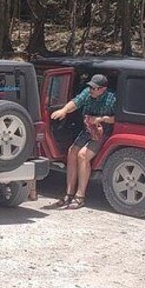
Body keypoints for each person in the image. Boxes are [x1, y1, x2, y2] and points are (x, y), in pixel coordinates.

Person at [48, 73, 116, 210]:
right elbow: (76, 101)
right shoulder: (87, 93)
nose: (91, 90)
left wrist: (101, 119)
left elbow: (117, 118)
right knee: (72, 152)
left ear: (102, 89)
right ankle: (69, 193)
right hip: (87, 129)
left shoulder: (112, 98)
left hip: (103, 131)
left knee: (83, 155)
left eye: (94, 88)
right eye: (90, 87)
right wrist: (64, 110)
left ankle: (80, 196)